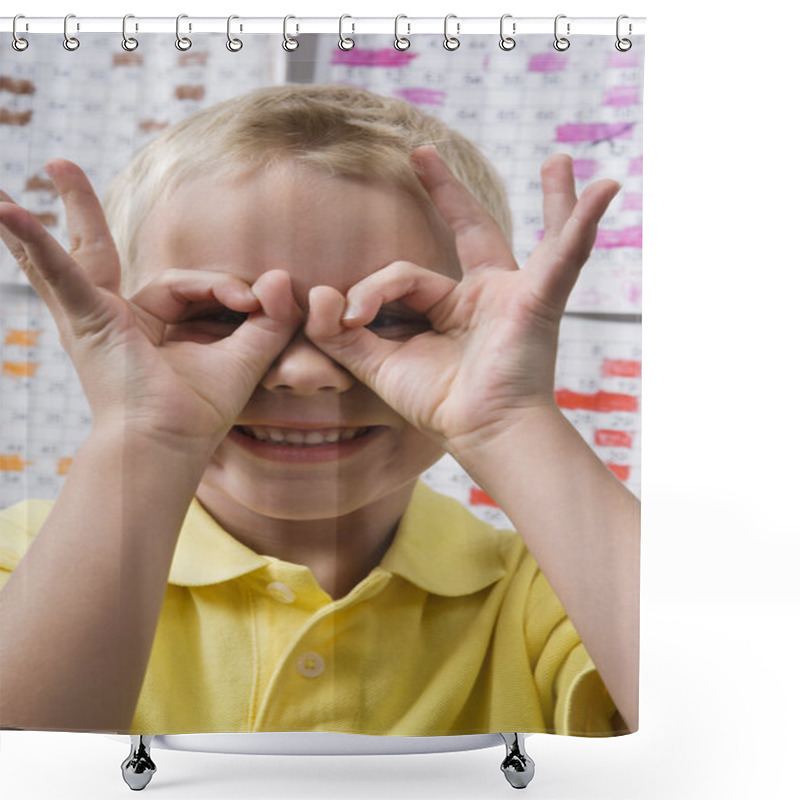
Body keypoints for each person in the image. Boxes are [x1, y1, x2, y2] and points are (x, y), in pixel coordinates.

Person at [0, 85, 640, 736]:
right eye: (218, 316)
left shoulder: (561, 585)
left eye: (391, 317)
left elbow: (721, 731)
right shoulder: (20, 561)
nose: (305, 375)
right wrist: (144, 438)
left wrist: (509, 418)